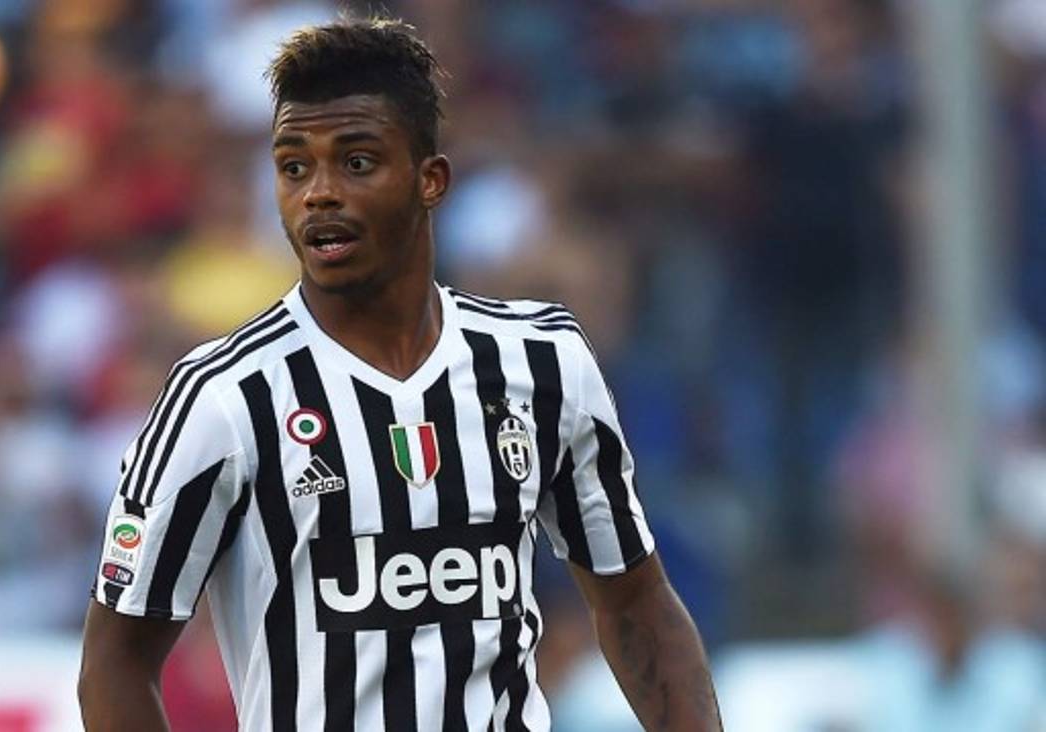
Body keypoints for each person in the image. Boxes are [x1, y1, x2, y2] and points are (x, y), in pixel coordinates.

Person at [78, 17, 723, 731]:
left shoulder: (543, 360)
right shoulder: (222, 397)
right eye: (294, 166)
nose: (318, 193)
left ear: (430, 181)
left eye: (356, 162)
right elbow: (115, 662)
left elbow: (635, 603)